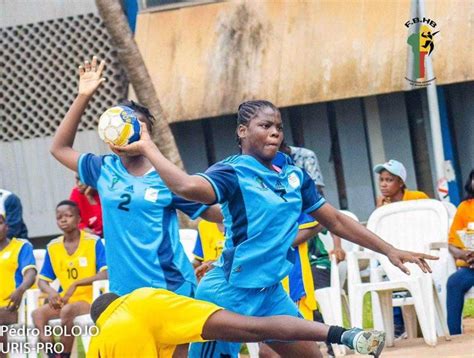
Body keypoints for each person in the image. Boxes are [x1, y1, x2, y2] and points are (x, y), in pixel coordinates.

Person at [115, 99, 436, 357]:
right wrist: (147, 148)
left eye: (279, 127)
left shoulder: (294, 177)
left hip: (270, 291)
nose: (275, 133)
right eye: (265, 125)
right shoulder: (231, 173)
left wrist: (390, 250)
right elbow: (185, 186)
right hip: (226, 292)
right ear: (242, 131)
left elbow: (336, 221)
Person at [50, 57, 221, 298]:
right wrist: (83, 96)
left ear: (149, 134)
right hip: (124, 292)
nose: (131, 134)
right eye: (124, 127)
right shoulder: (104, 169)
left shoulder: (167, 178)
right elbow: (59, 148)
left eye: (138, 127)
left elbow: (216, 213)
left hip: (170, 288)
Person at [87, 287, 384, 358]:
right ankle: (344, 334)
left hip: (143, 331)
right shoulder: (141, 295)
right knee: (258, 328)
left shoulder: (102, 337)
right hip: (189, 308)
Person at [32, 200, 107, 357]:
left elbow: (105, 273)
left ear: (79, 218)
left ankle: (64, 354)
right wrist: (51, 292)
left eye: (68, 215)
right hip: (65, 300)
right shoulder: (53, 247)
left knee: (67, 310)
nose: (63, 219)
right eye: (59, 217)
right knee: (38, 314)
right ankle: (52, 353)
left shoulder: (93, 242)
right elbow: (42, 281)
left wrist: (76, 284)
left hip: (90, 300)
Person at [374, 159, 430, 337]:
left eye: (389, 180)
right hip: (394, 253)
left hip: (417, 249)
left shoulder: (418, 197)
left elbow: (429, 224)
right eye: (381, 179)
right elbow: (380, 233)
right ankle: (397, 325)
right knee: (382, 269)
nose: (384, 184)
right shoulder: (382, 204)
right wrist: (380, 209)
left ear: (401, 182)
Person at [0, 214, 36, 358]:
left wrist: (20, 289)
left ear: (6, 226)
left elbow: (30, 273)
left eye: (0, 223)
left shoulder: (21, 246)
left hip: (16, 306)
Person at [446, 169, 474, 335]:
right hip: (471, 267)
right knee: (454, 282)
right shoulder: (465, 207)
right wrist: (465, 255)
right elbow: (451, 244)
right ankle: (455, 334)